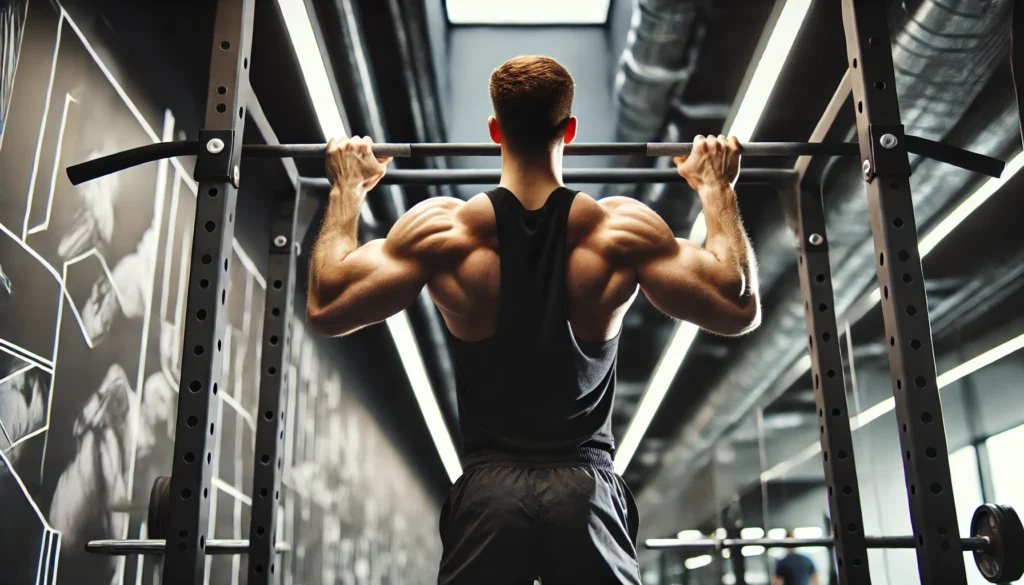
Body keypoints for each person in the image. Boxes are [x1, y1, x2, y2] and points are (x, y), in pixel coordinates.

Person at [306, 55, 761, 585]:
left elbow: (325, 305)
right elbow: (738, 307)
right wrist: (716, 191)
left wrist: (347, 192)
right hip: (585, 488)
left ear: (495, 130)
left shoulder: (441, 233)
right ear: (569, 129)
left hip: (488, 491)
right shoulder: (620, 232)